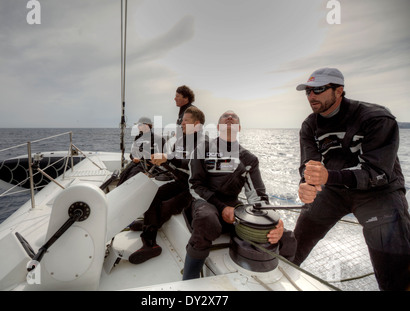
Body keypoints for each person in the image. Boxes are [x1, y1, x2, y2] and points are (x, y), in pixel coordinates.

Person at [294, 67, 410, 290]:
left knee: (395, 269)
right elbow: (309, 165)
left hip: (379, 193)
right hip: (333, 190)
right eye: (308, 91)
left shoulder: (377, 118)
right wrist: (306, 184)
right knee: (296, 241)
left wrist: (328, 176)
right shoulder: (310, 125)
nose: (311, 96)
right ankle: (274, 276)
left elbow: (378, 173)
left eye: (318, 90)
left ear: (339, 91)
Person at [182, 110, 296, 280]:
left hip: (234, 207)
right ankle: (189, 279)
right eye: (225, 116)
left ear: (239, 128)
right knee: (207, 219)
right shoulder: (202, 149)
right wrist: (221, 207)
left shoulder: (249, 159)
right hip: (205, 202)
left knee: (287, 236)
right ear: (219, 126)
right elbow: (194, 185)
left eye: (234, 117)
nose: (230, 117)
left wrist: (273, 220)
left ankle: (285, 281)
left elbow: (258, 197)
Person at [128, 106, 207, 264]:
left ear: (196, 124)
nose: (182, 123)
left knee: (167, 206)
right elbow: (175, 160)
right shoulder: (182, 139)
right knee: (152, 196)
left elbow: (190, 163)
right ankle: (149, 231)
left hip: (193, 189)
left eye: (186, 120)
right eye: (182, 120)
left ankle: (149, 242)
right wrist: (157, 162)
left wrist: (167, 158)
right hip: (180, 182)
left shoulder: (203, 143)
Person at [117, 117, 165, 186]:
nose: (138, 127)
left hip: (149, 165)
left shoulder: (158, 139)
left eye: (140, 125)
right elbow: (132, 153)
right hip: (136, 162)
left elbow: (162, 156)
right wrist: (134, 158)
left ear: (146, 125)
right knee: (123, 174)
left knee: (132, 176)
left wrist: (152, 162)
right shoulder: (138, 137)